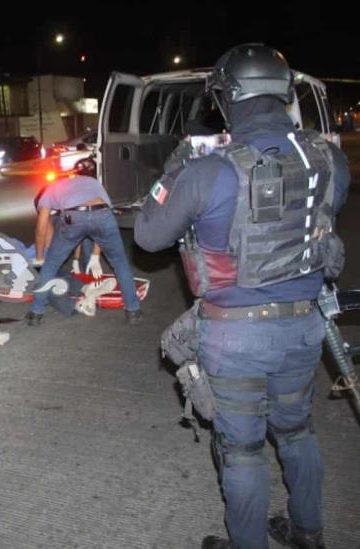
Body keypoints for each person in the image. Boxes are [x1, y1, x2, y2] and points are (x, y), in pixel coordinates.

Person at [134, 44, 350, 549]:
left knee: (243, 449)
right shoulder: (330, 159)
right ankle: (308, 533)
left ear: (229, 97)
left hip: (235, 338)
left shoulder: (210, 171)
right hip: (303, 326)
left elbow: (147, 235)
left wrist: (174, 170)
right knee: (298, 432)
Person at [27, 158, 141, 325]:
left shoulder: (50, 190)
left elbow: (40, 228)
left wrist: (40, 258)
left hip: (73, 216)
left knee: (51, 265)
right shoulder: (93, 182)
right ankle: (133, 311)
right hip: (101, 213)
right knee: (120, 263)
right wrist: (96, 255)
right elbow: (103, 213)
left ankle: (36, 313)